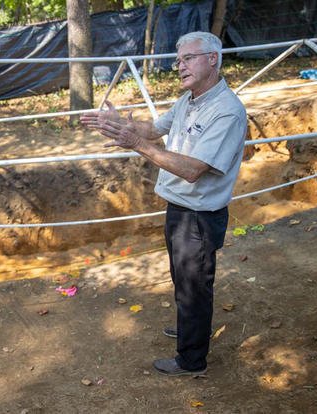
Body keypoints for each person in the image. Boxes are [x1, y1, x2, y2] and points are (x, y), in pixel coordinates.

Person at [80, 31, 247, 376]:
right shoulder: (190, 99)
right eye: (178, 59)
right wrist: (119, 125)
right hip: (179, 210)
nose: (179, 66)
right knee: (184, 279)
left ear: (213, 59)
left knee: (195, 283)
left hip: (199, 216)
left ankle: (192, 360)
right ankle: (191, 328)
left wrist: (135, 144)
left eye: (188, 58)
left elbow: (192, 170)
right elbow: (153, 128)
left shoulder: (227, 111)